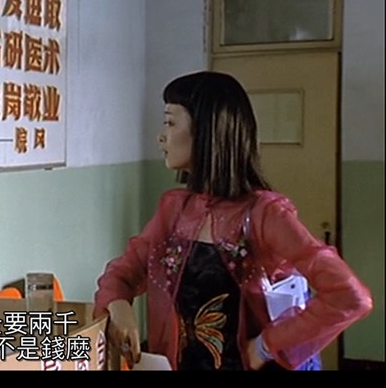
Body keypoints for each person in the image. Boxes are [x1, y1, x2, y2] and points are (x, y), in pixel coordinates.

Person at [94, 71, 372, 370]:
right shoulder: (175, 208)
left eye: (170, 123)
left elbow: (348, 296)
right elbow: (124, 272)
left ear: (207, 130)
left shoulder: (264, 213)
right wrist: (118, 304)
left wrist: (267, 345)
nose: (161, 136)